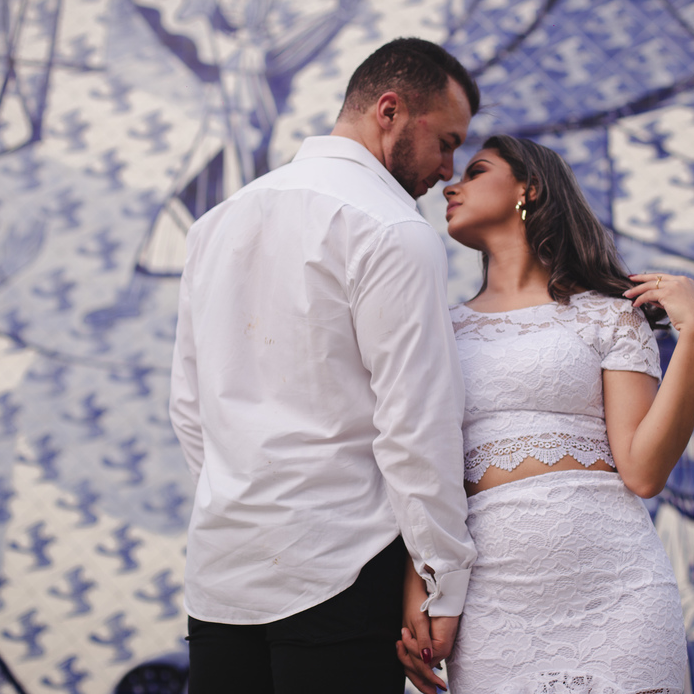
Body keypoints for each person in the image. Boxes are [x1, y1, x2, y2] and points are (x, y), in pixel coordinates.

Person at [168, 37, 480, 693]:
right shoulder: (394, 232)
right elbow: (416, 425)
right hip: (342, 571)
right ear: (390, 111)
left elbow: (190, 409)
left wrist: (248, 502)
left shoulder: (215, 224)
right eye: (446, 141)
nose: (448, 168)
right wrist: (442, 580)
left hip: (223, 572)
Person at [399, 135, 694, 694]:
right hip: (493, 606)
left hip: (619, 593)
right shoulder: (439, 330)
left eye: (476, 171)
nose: (451, 186)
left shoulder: (610, 317)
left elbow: (643, 472)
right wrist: (419, 587)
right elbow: (423, 472)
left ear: (530, 188)